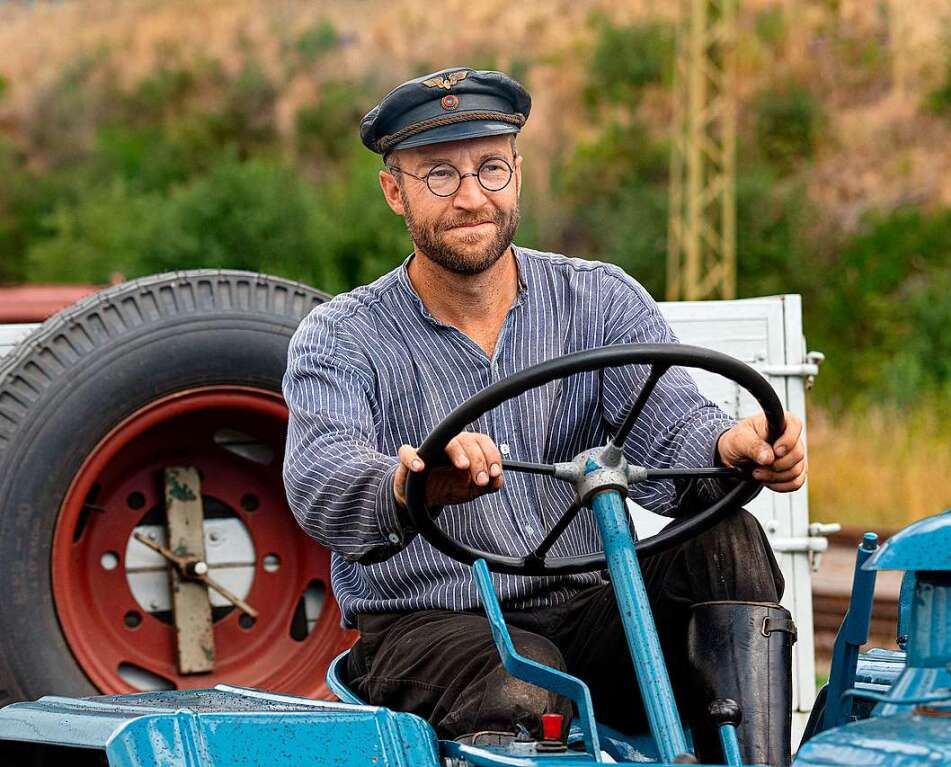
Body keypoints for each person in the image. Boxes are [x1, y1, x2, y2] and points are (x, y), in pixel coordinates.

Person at [282, 67, 807, 765]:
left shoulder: (598, 299)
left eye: (490, 168)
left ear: (517, 174)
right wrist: (414, 484)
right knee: (522, 677)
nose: (471, 197)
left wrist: (731, 445)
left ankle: (754, 756)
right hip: (427, 626)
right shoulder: (340, 336)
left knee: (727, 537)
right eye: (439, 175)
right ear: (394, 191)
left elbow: (673, 431)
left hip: (588, 609)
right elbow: (324, 480)